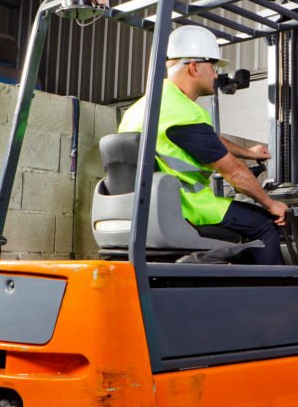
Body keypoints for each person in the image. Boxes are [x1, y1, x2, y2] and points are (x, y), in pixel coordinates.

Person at [118, 25, 287, 265]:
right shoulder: (184, 114)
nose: (216, 75)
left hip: (146, 212)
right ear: (194, 67)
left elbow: (211, 140)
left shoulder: (142, 109)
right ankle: (274, 298)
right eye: (213, 67)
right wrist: (272, 204)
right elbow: (234, 173)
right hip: (187, 209)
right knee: (264, 223)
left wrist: (248, 153)